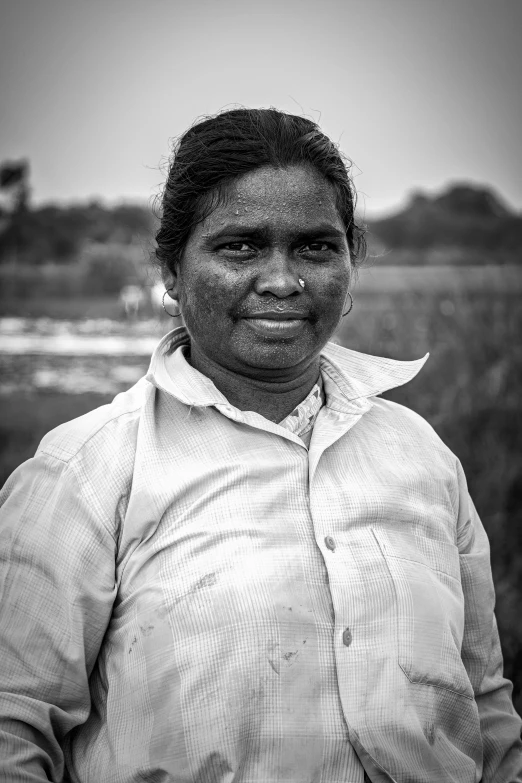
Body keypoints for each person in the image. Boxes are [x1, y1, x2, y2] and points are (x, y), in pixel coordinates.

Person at [0, 108, 520, 783]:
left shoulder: (420, 455)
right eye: (240, 246)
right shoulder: (85, 471)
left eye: (315, 246)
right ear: (172, 270)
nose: (282, 280)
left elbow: (485, 705)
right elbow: (15, 725)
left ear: (350, 262)